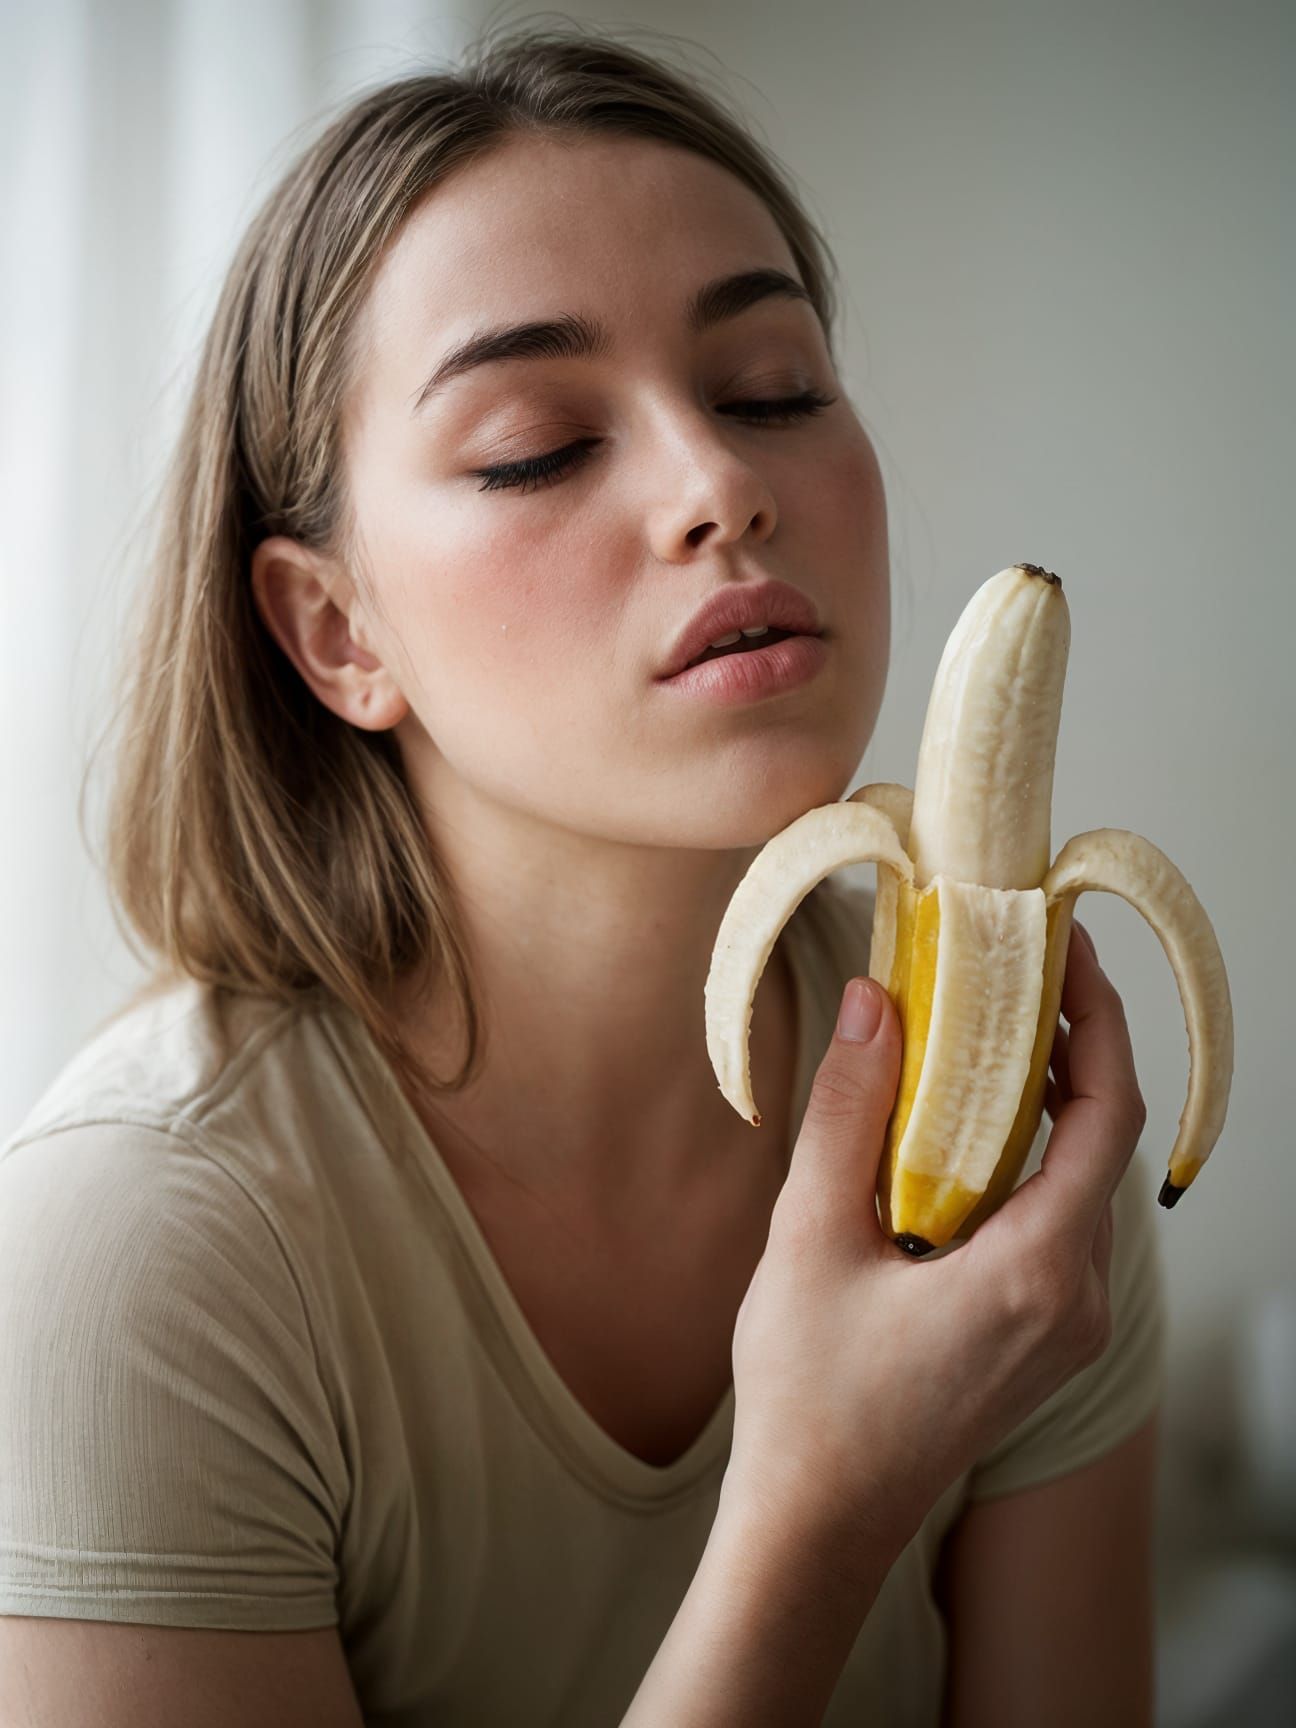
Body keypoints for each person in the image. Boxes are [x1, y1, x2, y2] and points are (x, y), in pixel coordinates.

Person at [0, 22, 1165, 1727]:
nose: (722, 487)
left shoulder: (1015, 1144)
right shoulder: (138, 1260)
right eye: (540, 443)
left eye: (774, 390)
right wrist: (819, 1510)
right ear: (336, 633)